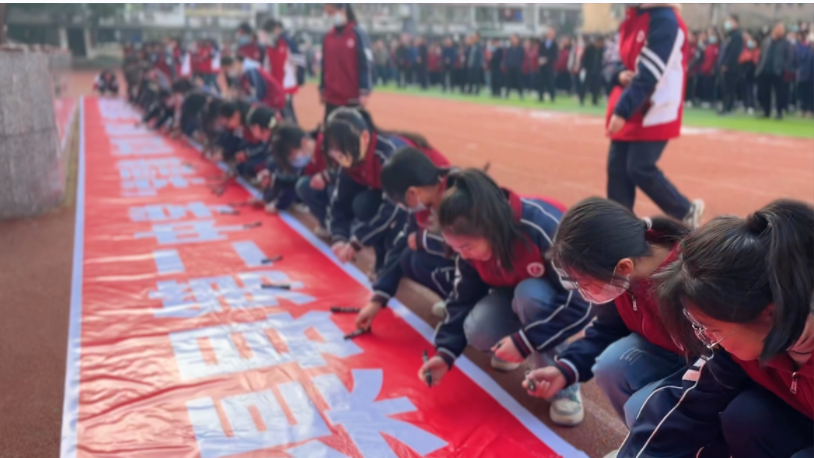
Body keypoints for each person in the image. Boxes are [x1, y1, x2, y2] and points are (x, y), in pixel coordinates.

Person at [616, 200, 814, 458]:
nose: (706, 338)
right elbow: (686, 405)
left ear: (770, 312)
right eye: (699, 326)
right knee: (746, 416)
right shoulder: (745, 337)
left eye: (711, 328)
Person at [418, 170, 593, 427]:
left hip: (550, 295)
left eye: (466, 247)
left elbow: (584, 301)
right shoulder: (470, 241)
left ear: (491, 229)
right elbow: (462, 298)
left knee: (529, 295)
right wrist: (445, 354)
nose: (463, 256)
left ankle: (564, 386)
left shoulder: (544, 227)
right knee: (478, 330)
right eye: (456, 249)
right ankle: (515, 342)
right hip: (511, 291)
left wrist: (524, 341)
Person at [524, 197, 689, 431]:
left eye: (584, 283)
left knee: (644, 406)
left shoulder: (691, 287)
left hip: (713, 375)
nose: (583, 292)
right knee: (611, 365)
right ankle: (648, 439)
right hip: (672, 355)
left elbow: (720, 365)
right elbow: (608, 329)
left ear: (624, 267)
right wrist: (566, 369)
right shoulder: (620, 274)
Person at [605, 4, 704, 229]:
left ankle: (684, 210)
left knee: (639, 167)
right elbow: (612, 55)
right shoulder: (631, 18)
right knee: (617, 169)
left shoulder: (665, 20)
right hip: (631, 100)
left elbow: (650, 71)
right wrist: (618, 73)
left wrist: (622, 110)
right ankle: (619, 229)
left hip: (655, 105)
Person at [354, 144, 452, 330]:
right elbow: (401, 244)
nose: (404, 208)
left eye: (401, 202)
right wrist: (378, 298)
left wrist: (425, 240)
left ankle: (467, 309)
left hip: (488, 273)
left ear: (413, 193)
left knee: (480, 327)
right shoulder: (424, 203)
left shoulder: (459, 197)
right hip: (464, 265)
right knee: (409, 256)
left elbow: (473, 246)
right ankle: (456, 303)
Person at [324, 107, 430, 273]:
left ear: (365, 137)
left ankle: (391, 262)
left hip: (420, 202)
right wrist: (339, 237)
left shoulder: (389, 156)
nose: (340, 159)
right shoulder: (352, 157)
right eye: (336, 154)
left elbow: (395, 208)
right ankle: (384, 258)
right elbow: (339, 202)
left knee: (393, 229)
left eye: (343, 151)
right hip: (397, 198)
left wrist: (358, 240)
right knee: (363, 204)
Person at [320, 4, 373, 121]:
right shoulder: (328, 37)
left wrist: (364, 91)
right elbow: (324, 65)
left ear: (342, 10)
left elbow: (365, 63)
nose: (329, 17)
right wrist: (322, 89)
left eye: (331, 13)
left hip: (351, 97)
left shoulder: (358, 34)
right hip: (332, 97)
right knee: (329, 129)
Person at [262, 19, 305, 123]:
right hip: (273, 86)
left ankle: (293, 129)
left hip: (286, 85)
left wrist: (299, 79)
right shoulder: (268, 46)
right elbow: (266, 66)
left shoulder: (288, 43)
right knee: (276, 111)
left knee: (287, 111)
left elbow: (300, 62)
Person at [757, 22, 795, 119]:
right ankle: (766, 111)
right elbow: (762, 54)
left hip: (778, 71)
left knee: (779, 93)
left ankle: (779, 111)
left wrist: (784, 67)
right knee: (765, 92)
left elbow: (789, 57)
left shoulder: (786, 43)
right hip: (765, 69)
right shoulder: (767, 41)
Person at [221, 55, 286, 112]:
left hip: (274, 100)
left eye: (229, 70)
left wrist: (242, 99)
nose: (229, 73)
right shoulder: (242, 73)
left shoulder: (252, 70)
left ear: (236, 63)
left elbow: (259, 95)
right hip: (265, 100)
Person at [717, 15, 744, 114]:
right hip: (725, 65)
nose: (727, 23)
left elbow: (734, 53)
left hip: (731, 67)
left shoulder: (737, 36)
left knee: (729, 88)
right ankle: (725, 106)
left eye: (730, 21)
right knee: (725, 88)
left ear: (735, 23)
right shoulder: (729, 35)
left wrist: (727, 64)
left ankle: (728, 108)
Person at [739, 32, 760, 115]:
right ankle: (746, 104)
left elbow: (755, 61)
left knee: (751, 89)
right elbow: (741, 59)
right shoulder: (746, 50)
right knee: (744, 89)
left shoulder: (757, 51)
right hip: (745, 71)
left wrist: (750, 56)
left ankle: (752, 105)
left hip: (753, 72)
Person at [538, 28, 559, 102]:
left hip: (550, 66)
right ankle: (540, 97)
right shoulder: (542, 43)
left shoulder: (555, 44)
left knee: (550, 82)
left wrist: (546, 59)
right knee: (541, 82)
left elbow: (555, 55)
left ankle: (552, 97)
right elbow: (539, 52)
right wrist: (540, 59)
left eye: (551, 34)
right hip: (542, 66)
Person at [700, 30, 719, 108]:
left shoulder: (717, 48)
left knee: (712, 87)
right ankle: (707, 100)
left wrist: (714, 68)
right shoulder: (709, 47)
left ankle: (711, 101)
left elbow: (716, 60)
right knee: (706, 86)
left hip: (712, 71)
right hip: (705, 70)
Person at [796, 32, 814, 117]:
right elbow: (800, 59)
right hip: (804, 75)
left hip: (812, 76)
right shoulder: (805, 49)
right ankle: (803, 109)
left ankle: (810, 109)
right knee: (803, 93)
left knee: (811, 94)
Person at [504, 34, 525, 99]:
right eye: (512, 39)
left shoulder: (520, 48)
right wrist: (508, 63)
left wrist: (518, 63)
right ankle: (506, 94)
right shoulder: (510, 48)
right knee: (508, 82)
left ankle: (521, 95)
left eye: (514, 39)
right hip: (510, 67)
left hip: (517, 67)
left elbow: (522, 57)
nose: (513, 40)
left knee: (519, 81)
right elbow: (507, 57)